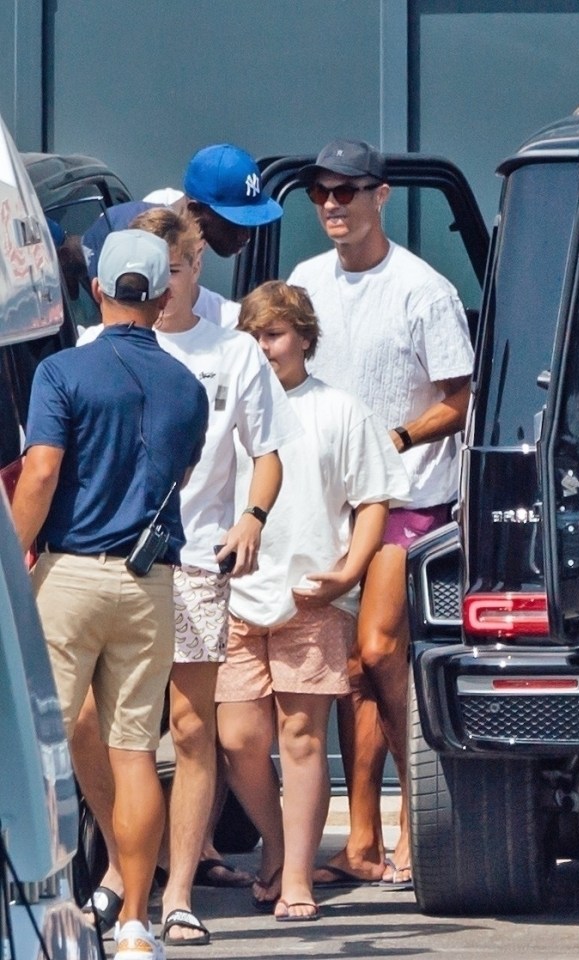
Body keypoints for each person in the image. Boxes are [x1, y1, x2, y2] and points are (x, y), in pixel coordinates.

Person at [72, 208, 299, 947]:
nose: (159, 287)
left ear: (197, 267)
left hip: (196, 558)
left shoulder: (233, 353)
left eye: (173, 270)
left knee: (192, 725)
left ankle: (176, 893)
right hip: (107, 562)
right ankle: (121, 862)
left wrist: (252, 519)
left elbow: (268, 451)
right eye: (148, 271)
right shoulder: (88, 346)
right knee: (93, 728)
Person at [11, 229, 209, 960]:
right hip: (148, 581)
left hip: (68, 573)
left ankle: (44, 906)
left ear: (95, 287)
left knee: (38, 752)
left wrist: (8, 560)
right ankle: (133, 923)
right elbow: (175, 479)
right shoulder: (189, 387)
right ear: (161, 297)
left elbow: (40, 476)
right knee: (133, 753)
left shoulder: (62, 370)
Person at [287, 138, 475, 888]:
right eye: (321, 192)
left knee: (377, 653)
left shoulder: (422, 290)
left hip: (408, 500)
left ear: (382, 195)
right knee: (348, 675)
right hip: (324, 508)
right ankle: (359, 840)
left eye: (348, 190)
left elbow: (457, 402)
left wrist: (389, 438)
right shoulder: (303, 280)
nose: (333, 204)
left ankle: (415, 821)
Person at [215, 280, 409, 920]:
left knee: (302, 738)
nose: (263, 348)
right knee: (238, 736)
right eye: (253, 336)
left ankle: (295, 875)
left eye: (273, 335)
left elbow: (373, 498)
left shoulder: (339, 410)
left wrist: (348, 575)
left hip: (312, 597)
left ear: (303, 337)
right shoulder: (225, 407)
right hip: (231, 595)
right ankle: (277, 845)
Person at [82, 143, 282, 330]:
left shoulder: (229, 325)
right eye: (235, 222)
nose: (246, 235)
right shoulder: (123, 230)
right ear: (195, 211)